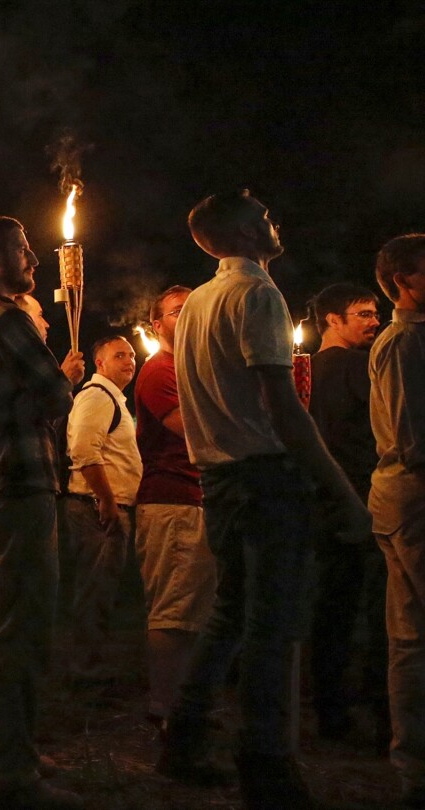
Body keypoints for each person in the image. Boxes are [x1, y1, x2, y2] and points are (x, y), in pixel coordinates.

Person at [158, 190, 370, 809]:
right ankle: (267, 765)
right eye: (265, 217)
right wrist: (340, 490)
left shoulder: (197, 302)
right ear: (245, 233)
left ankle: (184, 738)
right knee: (273, 625)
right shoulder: (256, 295)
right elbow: (283, 405)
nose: (274, 223)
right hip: (263, 476)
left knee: (229, 615)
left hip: (217, 477)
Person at [0, 215, 84, 810]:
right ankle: (6, 773)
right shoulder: (5, 318)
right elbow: (53, 396)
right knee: (17, 632)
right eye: (21, 250)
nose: (33, 259)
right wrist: (68, 373)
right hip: (20, 485)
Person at [306, 281, 387, 744]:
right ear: (332, 320)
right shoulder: (360, 367)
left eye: (375, 313)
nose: (374, 321)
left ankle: (330, 707)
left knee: (332, 607)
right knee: (371, 608)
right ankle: (374, 707)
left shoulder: (304, 373)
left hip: (324, 501)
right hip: (361, 501)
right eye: (362, 313)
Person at [133, 285, 215, 728]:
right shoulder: (160, 370)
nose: (189, 318)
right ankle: (164, 705)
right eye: (179, 312)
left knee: (197, 609)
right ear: (157, 324)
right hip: (172, 502)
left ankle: (186, 704)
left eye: (194, 311)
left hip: (198, 500)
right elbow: (194, 429)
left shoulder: (193, 368)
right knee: (173, 608)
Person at [368, 234, 425, 807]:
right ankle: (414, 767)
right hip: (414, 499)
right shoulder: (407, 342)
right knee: (412, 634)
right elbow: (415, 439)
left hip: (405, 497)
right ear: (403, 281)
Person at [61, 334, 141, 682]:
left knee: (102, 590)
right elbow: (83, 450)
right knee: (94, 591)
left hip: (104, 506)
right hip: (96, 509)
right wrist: (106, 500)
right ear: (100, 364)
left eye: (132, 355)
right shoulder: (97, 396)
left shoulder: (114, 400)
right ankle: (84, 670)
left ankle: (89, 664)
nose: (129, 361)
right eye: (119, 355)